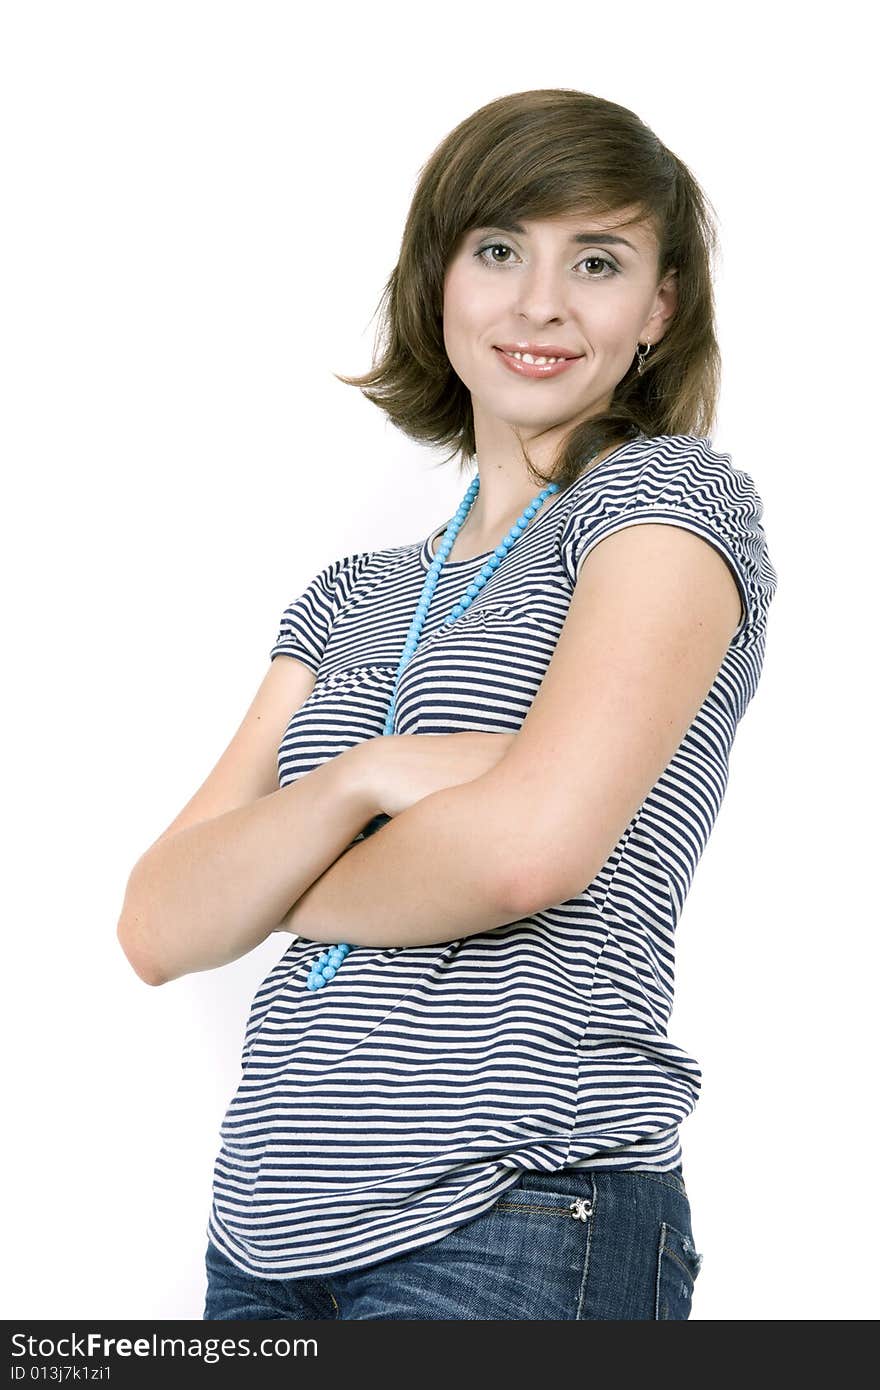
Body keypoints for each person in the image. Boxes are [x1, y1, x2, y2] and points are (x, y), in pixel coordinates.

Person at [117, 88, 778, 1320]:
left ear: (660, 306)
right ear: (439, 283)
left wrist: (271, 887)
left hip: (516, 1213)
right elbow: (160, 924)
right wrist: (362, 783)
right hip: (262, 1234)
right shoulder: (351, 594)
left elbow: (527, 856)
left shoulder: (666, 505)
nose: (540, 302)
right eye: (497, 251)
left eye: (596, 259)